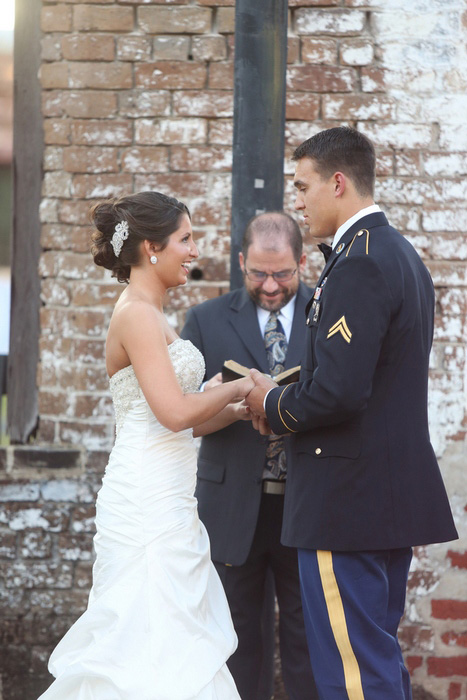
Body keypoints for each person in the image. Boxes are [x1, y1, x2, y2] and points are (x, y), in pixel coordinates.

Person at [245, 127, 458, 699]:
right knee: (375, 660)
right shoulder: (398, 253)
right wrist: (285, 385)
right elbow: (370, 373)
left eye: (303, 185)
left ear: (337, 183)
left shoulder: (359, 262)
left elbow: (339, 392)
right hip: (378, 499)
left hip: (346, 503)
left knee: (354, 676)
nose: (298, 199)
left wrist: (269, 402)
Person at [38, 191, 255, 700]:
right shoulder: (136, 314)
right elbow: (174, 412)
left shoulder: (153, 314)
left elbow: (182, 424)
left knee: (170, 634)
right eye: (186, 239)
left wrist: (234, 410)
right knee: (145, 638)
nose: (195, 250)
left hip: (171, 496)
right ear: (152, 248)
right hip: (144, 501)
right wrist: (238, 386)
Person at [181, 212, 317, 700]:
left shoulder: (329, 316)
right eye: (259, 273)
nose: (271, 285)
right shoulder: (205, 319)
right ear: (241, 262)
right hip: (231, 504)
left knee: (308, 637)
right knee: (236, 640)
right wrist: (234, 405)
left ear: (302, 262)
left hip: (307, 502)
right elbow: (186, 420)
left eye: (283, 273)